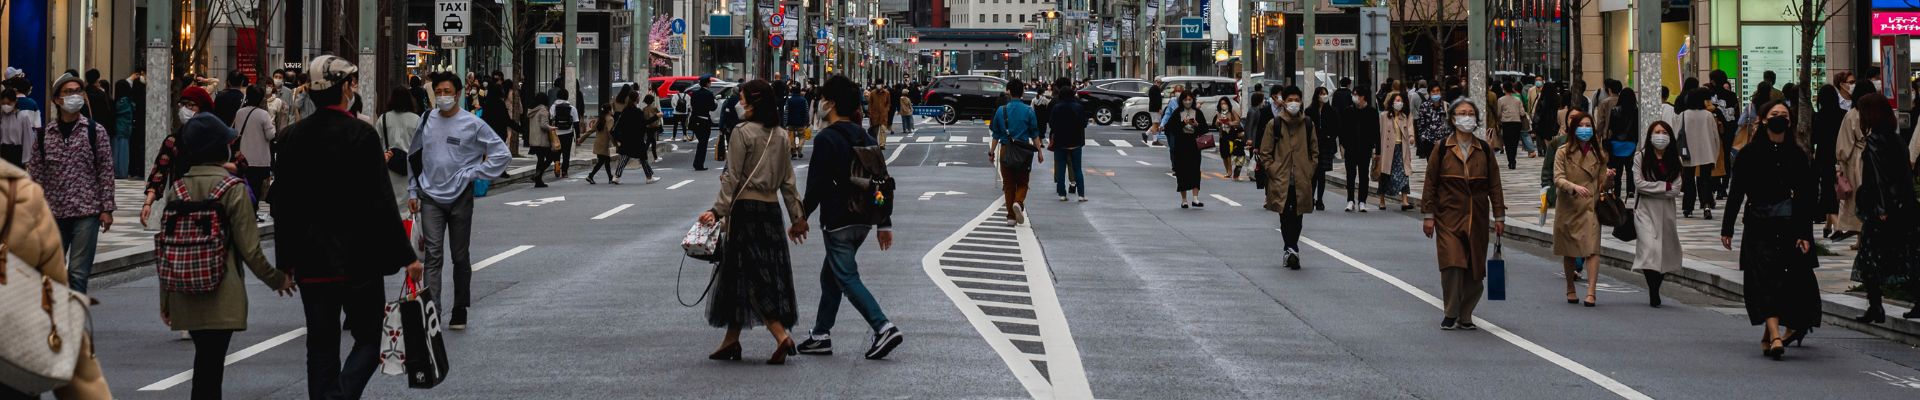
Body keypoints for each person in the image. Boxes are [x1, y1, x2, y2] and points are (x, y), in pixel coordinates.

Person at [270, 55, 420, 400]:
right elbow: (381, 201)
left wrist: (285, 263)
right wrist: (406, 254)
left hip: (312, 260)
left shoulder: (293, 137)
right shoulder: (361, 135)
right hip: (360, 259)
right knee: (368, 338)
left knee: (320, 344)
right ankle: (339, 395)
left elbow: (284, 204)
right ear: (346, 88)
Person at [161, 111, 295, 399]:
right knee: (211, 366)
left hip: (184, 289)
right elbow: (250, 249)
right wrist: (277, 279)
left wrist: (166, 298)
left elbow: (166, 246)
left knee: (205, 362)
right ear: (219, 148)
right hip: (222, 290)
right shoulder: (232, 189)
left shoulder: (178, 190)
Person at [695, 80, 805, 365]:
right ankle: (731, 341)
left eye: (742, 99)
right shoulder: (780, 134)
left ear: (753, 102)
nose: (739, 103)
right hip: (770, 211)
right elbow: (788, 181)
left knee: (752, 275)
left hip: (745, 211)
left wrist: (717, 211)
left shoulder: (742, 133)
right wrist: (797, 218)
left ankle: (781, 335)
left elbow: (732, 176)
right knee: (742, 273)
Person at [796, 75, 905, 361]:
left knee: (846, 276)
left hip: (838, 218)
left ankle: (883, 327)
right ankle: (820, 334)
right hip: (864, 218)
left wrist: (801, 217)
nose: (819, 103)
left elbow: (817, 185)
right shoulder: (865, 136)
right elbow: (882, 181)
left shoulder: (827, 139)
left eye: (822, 99)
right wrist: (884, 222)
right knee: (831, 274)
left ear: (830, 103)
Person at [0, 158, 114, 399]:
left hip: (83, 209)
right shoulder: (19, 197)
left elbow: (103, 168)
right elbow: (55, 305)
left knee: (78, 273)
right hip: (12, 364)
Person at [1719, 101, 1822, 360]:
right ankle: (1775, 335)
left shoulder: (1797, 155)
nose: (1779, 119)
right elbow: (1736, 192)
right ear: (1763, 119)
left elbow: (1806, 197)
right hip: (1758, 224)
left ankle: (1771, 334)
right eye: (1774, 115)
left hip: (1788, 225)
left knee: (1782, 280)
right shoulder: (1749, 154)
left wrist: (1804, 233)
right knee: (1763, 278)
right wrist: (1727, 227)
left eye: (1784, 115)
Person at [410, 71, 511, 330]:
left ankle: (459, 308)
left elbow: (502, 154)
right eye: (439, 92)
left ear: (458, 94)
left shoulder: (472, 123)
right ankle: (433, 311)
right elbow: (414, 156)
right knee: (433, 255)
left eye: (447, 92)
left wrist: (473, 173)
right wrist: (413, 190)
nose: (443, 96)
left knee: (459, 255)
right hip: (430, 196)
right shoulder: (426, 120)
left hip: (460, 197)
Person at [1422, 99, 1507, 330]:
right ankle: (1450, 312)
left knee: (1475, 268)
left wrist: (1499, 216)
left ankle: (1466, 313)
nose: (1466, 117)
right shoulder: (1441, 149)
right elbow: (1430, 184)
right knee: (1452, 263)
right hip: (1448, 215)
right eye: (1462, 113)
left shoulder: (1485, 150)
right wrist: (1428, 215)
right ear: (1452, 118)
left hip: (1477, 216)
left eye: (1470, 113)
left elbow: (1495, 185)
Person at [29, 75, 115, 294]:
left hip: (87, 211)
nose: (75, 96)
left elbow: (105, 171)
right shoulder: (43, 136)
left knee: (78, 273)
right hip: (52, 212)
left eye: (79, 91)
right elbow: (36, 175)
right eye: (69, 92)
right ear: (57, 100)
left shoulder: (95, 131)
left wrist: (106, 209)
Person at [1848, 93, 1920, 323]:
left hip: (1883, 210)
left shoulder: (1876, 140)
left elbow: (1878, 178)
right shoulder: (1895, 138)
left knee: (1870, 258)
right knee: (1906, 256)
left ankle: (1876, 306)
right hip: (1905, 206)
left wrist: (1880, 209)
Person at [1555, 112, 1611, 307]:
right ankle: (1570, 287)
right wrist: (1573, 187)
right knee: (1569, 250)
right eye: (1582, 125)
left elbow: (1602, 182)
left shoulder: (1599, 153)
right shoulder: (1563, 151)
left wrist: (1609, 178)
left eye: (1589, 125)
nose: (1585, 129)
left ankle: (1591, 292)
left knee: (1592, 249)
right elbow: (1558, 177)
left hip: (1590, 206)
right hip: (1570, 205)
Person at [1262, 86, 1319, 270]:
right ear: (1283, 102)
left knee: (1298, 215)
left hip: (1301, 177)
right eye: (1290, 99)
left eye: (1297, 99)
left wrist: (1309, 169)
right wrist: (1273, 170)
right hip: (1281, 178)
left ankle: (1291, 249)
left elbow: (1314, 151)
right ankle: (1291, 248)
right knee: (1285, 215)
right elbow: (1265, 152)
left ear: (1301, 101)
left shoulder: (1308, 124)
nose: (1293, 103)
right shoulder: (1275, 124)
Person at [1633, 121, 1684, 308]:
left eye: (1664, 132)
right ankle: (1653, 290)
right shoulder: (1641, 157)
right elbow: (1639, 184)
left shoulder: (1675, 160)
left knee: (1665, 252)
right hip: (1645, 209)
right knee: (1649, 249)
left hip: (1667, 210)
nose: (1660, 135)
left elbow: (1676, 189)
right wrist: (1664, 186)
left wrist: (1657, 188)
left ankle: (1656, 286)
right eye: (1656, 132)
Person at [990, 79, 1043, 224]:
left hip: (1006, 150)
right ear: (1023, 92)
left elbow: (995, 134)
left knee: (1008, 185)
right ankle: (1018, 203)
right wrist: (1039, 151)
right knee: (1022, 182)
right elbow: (1034, 134)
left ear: (1008, 91)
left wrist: (991, 152)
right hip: (1024, 151)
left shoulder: (1002, 110)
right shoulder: (1029, 111)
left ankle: (1011, 217)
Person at [1675, 88, 1724, 219]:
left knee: (1689, 180)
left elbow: (1677, 135)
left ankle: (1688, 207)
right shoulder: (1708, 115)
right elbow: (1715, 137)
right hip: (1706, 153)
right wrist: (1715, 154)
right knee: (1705, 180)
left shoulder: (1683, 115)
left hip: (1688, 153)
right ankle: (1706, 205)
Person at [375, 87, 422, 208]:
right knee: (408, 207)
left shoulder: (383, 118)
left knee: (390, 204)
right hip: (410, 169)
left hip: (389, 166)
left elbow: (376, 144)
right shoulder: (416, 119)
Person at [233, 86, 277, 209]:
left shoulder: (239, 112)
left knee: (245, 186)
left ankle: (246, 210)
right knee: (256, 187)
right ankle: (254, 211)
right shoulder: (263, 114)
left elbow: (236, 132)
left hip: (243, 157)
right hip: (259, 158)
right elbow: (270, 135)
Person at [1813, 82, 1845, 238]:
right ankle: (1828, 226)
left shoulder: (1819, 117)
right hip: (1839, 156)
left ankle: (1837, 225)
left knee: (1827, 190)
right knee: (1834, 188)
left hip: (1823, 156)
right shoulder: (1843, 114)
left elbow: (1815, 138)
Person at [1049, 78, 1089, 202]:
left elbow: (1052, 124)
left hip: (1061, 142)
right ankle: (1081, 194)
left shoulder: (1057, 107)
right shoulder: (1079, 107)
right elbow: (1084, 123)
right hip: (1076, 141)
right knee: (1077, 169)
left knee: (1060, 169)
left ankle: (1062, 194)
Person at [612, 94, 663, 184]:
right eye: (638, 97)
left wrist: (618, 139)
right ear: (636, 99)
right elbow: (644, 123)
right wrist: (656, 116)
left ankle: (616, 176)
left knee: (625, 156)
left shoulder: (625, 110)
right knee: (643, 158)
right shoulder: (638, 112)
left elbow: (618, 125)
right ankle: (649, 177)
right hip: (637, 139)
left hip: (626, 138)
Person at [1377, 91, 1416, 211]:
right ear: (1392, 102)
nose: (1398, 103)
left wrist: (1411, 137)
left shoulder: (1405, 116)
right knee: (1385, 174)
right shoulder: (1384, 116)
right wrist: (1376, 149)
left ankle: (1404, 200)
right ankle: (1382, 200)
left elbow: (1410, 128)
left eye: (1400, 101)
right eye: (1396, 100)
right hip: (1387, 149)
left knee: (1404, 173)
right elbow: (1379, 132)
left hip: (1401, 148)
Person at [1343, 91, 1379, 211]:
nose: (1354, 97)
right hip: (1350, 148)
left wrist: (1376, 149)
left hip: (1365, 148)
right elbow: (1343, 129)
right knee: (1350, 175)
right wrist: (1343, 144)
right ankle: (1350, 200)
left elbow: (1376, 130)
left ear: (1363, 96)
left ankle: (1362, 201)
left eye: (1356, 94)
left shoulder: (1372, 112)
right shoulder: (1348, 111)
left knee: (1364, 175)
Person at [1308, 86, 1339, 211]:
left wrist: (1330, 136)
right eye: (1322, 93)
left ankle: (1319, 199)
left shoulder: (1331, 111)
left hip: (1326, 145)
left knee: (1321, 174)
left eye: (1325, 93)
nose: (1324, 96)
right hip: (1313, 146)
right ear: (1317, 95)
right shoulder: (1309, 111)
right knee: (1313, 174)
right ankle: (1310, 198)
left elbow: (1336, 126)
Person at [1606, 89, 1640, 195]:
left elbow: (1611, 128)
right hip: (1631, 143)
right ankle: (1631, 190)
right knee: (1630, 169)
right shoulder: (1636, 111)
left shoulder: (1614, 110)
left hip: (1616, 144)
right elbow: (1637, 129)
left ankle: (1617, 191)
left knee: (1617, 169)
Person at [583, 96, 623, 184]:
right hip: (604, 144)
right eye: (611, 109)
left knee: (606, 160)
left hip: (598, 143)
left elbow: (590, 131)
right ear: (609, 110)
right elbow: (610, 133)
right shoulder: (610, 119)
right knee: (602, 161)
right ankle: (590, 176)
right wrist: (616, 144)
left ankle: (609, 177)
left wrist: (581, 139)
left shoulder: (600, 119)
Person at [525, 92, 558, 188]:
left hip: (534, 139)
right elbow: (543, 125)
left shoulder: (533, 110)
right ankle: (537, 176)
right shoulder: (543, 110)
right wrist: (551, 128)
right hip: (542, 140)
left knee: (540, 159)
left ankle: (538, 180)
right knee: (550, 158)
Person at [688, 76, 718, 170]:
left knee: (701, 142)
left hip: (695, 120)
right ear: (707, 83)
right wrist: (716, 103)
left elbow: (692, 105)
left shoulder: (695, 93)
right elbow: (712, 107)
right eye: (710, 82)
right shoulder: (709, 94)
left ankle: (697, 163)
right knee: (703, 143)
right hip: (704, 120)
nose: (710, 83)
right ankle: (699, 164)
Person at [1498, 83, 1531, 167]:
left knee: (1507, 143)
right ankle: (1513, 160)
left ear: (1504, 89)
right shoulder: (1517, 99)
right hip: (1516, 122)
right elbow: (1522, 112)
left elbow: (1498, 113)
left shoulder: (1501, 100)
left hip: (1506, 123)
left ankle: (1510, 160)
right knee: (1514, 142)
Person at [1216, 97, 1246, 181]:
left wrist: (1230, 123)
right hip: (1223, 134)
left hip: (1230, 134)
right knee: (1223, 153)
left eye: (1225, 103)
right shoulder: (1218, 113)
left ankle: (1230, 171)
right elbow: (1216, 125)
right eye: (1222, 104)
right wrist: (1218, 122)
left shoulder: (1232, 111)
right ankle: (1227, 170)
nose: (1223, 105)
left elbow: (1238, 121)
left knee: (1229, 152)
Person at [0, 88, 29, 165]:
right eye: (3, 103)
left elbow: (27, 139)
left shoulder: (23, 116)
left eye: (9, 103)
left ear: (15, 101)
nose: (6, 106)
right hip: (2, 151)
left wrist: (26, 159)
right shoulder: (1, 116)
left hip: (16, 152)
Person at [785, 82, 811, 159]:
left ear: (792, 92)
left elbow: (786, 112)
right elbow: (806, 111)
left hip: (791, 121)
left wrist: (785, 122)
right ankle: (799, 147)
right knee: (802, 136)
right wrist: (807, 121)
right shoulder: (804, 100)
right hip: (801, 122)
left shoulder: (789, 100)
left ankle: (793, 150)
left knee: (790, 136)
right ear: (799, 91)